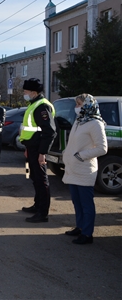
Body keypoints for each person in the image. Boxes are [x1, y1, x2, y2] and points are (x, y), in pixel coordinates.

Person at [62, 94, 107, 245]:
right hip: (73, 168)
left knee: (86, 204)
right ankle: (80, 227)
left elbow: (102, 148)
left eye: (79, 104)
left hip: (85, 169)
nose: (77, 107)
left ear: (88, 105)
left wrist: (81, 156)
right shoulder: (80, 121)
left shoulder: (95, 123)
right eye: (76, 104)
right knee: (77, 202)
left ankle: (87, 234)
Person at [19, 78, 56, 223]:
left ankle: (43, 213)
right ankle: (37, 204)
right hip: (31, 148)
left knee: (41, 180)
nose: (24, 94)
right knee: (32, 176)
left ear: (33, 92)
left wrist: (42, 153)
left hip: (38, 149)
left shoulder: (42, 106)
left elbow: (50, 131)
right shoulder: (34, 104)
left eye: (26, 91)